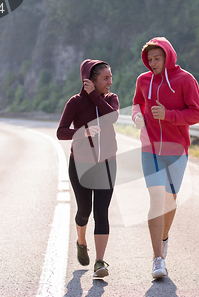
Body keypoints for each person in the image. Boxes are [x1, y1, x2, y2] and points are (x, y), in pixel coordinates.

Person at [132, 37, 199, 278]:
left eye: (157, 58)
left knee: (170, 201)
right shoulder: (143, 80)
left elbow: (196, 113)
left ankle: (163, 238)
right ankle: (157, 259)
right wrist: (137, 117)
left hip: (176, 149)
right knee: (155, 199)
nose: (152, 63)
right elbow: (137, 104)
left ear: (168, 56)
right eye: (149, 59)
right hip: (149, 148)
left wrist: (169, 115)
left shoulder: (185, 80)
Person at [57, 59, 119, 277]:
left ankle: (100, 262)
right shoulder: (75, 102)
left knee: (101, 213)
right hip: (81, 165)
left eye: (110, 77)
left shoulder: (111, 100)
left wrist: (95, 95)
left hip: (107, 164)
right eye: (106, 78)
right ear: (90, 81)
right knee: (85, 211)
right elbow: (61, 131)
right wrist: (81, 132)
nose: (110, 82)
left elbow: (111, 117)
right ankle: (81, 242)